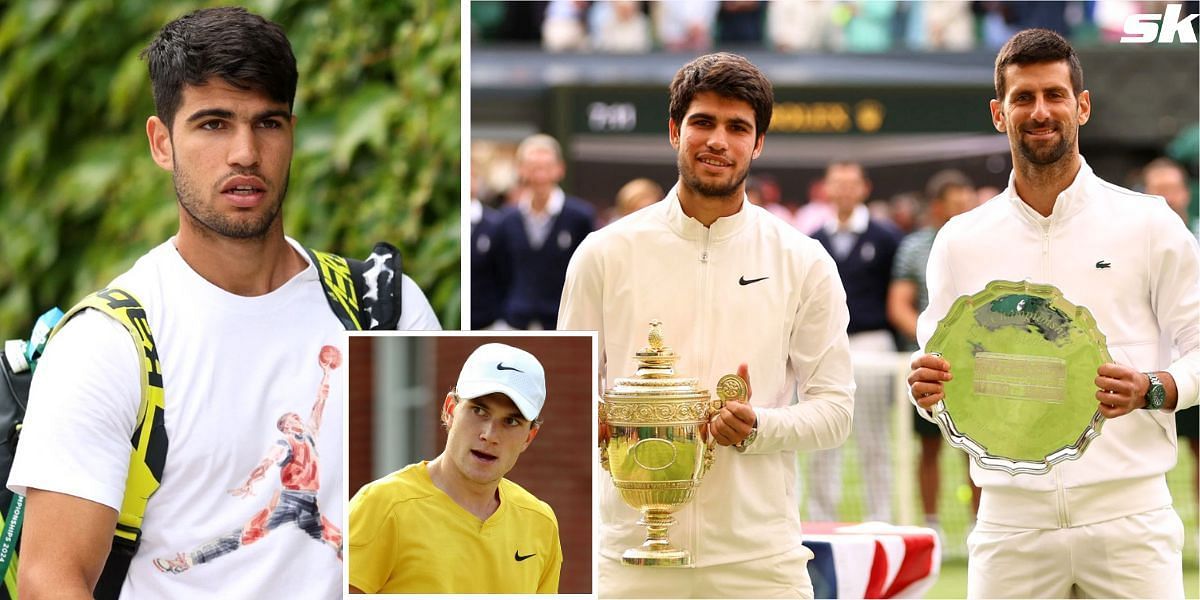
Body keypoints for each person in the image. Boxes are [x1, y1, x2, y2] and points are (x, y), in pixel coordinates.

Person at [6, 7, 440, 599]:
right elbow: (49, 580)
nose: (244, 153)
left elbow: (426, 534)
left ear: (291, 132)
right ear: (162, 142)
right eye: (213, 124)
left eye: (267, 123)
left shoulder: (383, 313)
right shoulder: (108, 342)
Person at [907, 28, 1198, 598]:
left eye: (1054, 95)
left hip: (1128, 517)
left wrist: (1155, 388)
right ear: (999, 113)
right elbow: (942, 379)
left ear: (1081, 106)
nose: (1040, 112)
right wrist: (928, 391)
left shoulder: (1149, 223)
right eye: (1023, 98)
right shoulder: (961, 240)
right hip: (1009, 523)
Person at [559, 52, 855, 599]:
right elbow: (565, 401)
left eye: (737, 127)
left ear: (758, 143)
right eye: (703, 122)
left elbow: (836, 411)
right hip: (628, 559)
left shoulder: (803, 259)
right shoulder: (603, 254)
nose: (718, 140)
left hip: (760, 560)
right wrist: (597, 423)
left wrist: (759, 427)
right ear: (675, 131)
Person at [347, 343, 562, 594]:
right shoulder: (382, 505)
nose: (490, 435)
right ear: (450, 410)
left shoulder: (540, 522)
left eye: (511, 421)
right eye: (479, 410)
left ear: (529, 437)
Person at [808, 160, 901, 524]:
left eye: (851, 184)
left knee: (874, 438)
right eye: (837, 184)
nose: (844, 191)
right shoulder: (813, 240)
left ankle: (880, 518)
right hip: (824, 347)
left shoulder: (886, 237)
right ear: (826, 189)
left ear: (864, 188)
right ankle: (819, 519)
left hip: (873, 344)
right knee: (820, 436)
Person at [887, 170, 980, 532]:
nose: (964, 210)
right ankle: (931, 526)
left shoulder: (981, 244)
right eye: (956, 203)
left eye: (967, 203)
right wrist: (934, 342)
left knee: (977, 447)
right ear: (938, 206)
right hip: (926, 363)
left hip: (973, 362)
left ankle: (980, 525)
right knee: (927, 448)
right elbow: (899, 305)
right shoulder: (913, 247)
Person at [491, 133, 595, 330]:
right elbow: (499, 271)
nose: (540, 176)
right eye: (533, 168)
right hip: (515, 321)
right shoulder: (506, 219)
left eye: (546, 168)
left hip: (563, 321)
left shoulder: (580, 217)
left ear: (559, 169)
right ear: (521, 170)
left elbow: (587, 272)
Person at [1142, 157, 1200, 497]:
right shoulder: (1129, 245)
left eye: (1173, 189)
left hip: (1194, 363)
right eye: (1158, 190)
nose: (1168, 198)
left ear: (1186, 193)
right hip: (1147, 369)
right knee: (1146, 457)